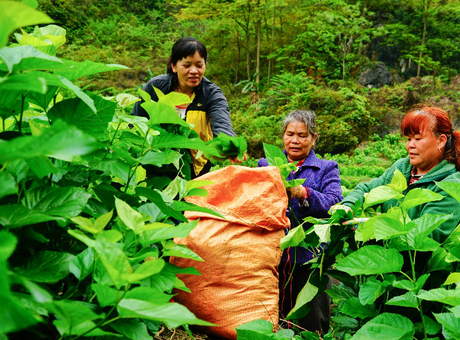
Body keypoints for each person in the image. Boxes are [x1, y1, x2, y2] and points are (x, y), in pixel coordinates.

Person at [258, 110, 343, 335]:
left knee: (311, 321)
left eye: (303, 135)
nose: (295, 140)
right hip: (272, 255)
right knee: (271, 317)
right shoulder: (266, 164)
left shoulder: (327, 168)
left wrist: (304, 192)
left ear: (314, 138)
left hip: (310, 255)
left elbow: (335, 203)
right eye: (290, 134)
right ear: (283, 136)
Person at [338, 106, 460, 243]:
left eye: (418, 139)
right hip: (387, 254)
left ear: (441, 141)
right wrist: (347, 206)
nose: (410, 145)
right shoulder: (401, 168)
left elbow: (424, 237)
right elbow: (367, 190)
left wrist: (375, 226)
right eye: (409, 139)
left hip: (417, 262)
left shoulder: (451, 187)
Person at [132, 37, 236, 178]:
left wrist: (228, 145)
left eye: (199, 65)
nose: (194, 71)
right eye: (187, 65)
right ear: (174, 66)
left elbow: (222, 122)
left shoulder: (211, 94)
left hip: (195, 168)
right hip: (156, 166)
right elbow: (136, 123)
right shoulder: (155, 87)